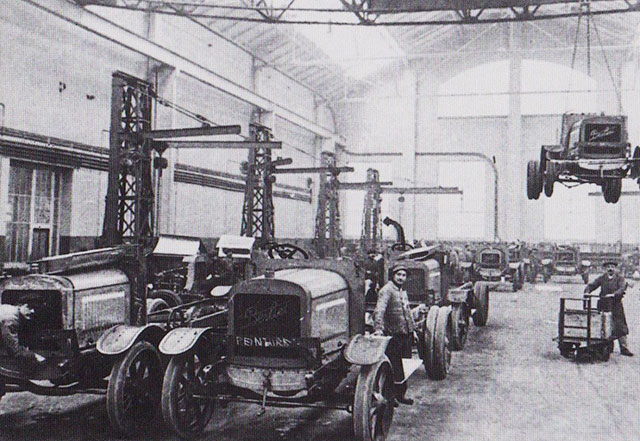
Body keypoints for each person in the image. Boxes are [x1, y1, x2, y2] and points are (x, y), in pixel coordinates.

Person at [373, 262, 415, 405]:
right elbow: (379, 311)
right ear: (393, 276)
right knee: (393, 367)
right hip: (394, 335)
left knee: (405, 365)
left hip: (405, 334)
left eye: (403, 275)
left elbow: (407, 313)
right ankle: (390, 398)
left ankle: (400, 395)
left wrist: (412, 330)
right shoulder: (387, 290)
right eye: (399, 275)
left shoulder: (402, 291)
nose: (401, 277)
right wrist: (379, 329)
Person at [584, 261, 633, 356]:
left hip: (616, 304)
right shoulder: (602, 278)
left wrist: (614, 294)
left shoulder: (620, 278)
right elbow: (592, 285)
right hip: (604, 303)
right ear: (605, 269)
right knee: (603, 324)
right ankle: (607, 346)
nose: (610, 269)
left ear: (615, 269)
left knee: (620, 324)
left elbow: (622, 288)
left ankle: (624, 348)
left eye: (612, 267)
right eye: (608, 267)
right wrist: (587, 291)